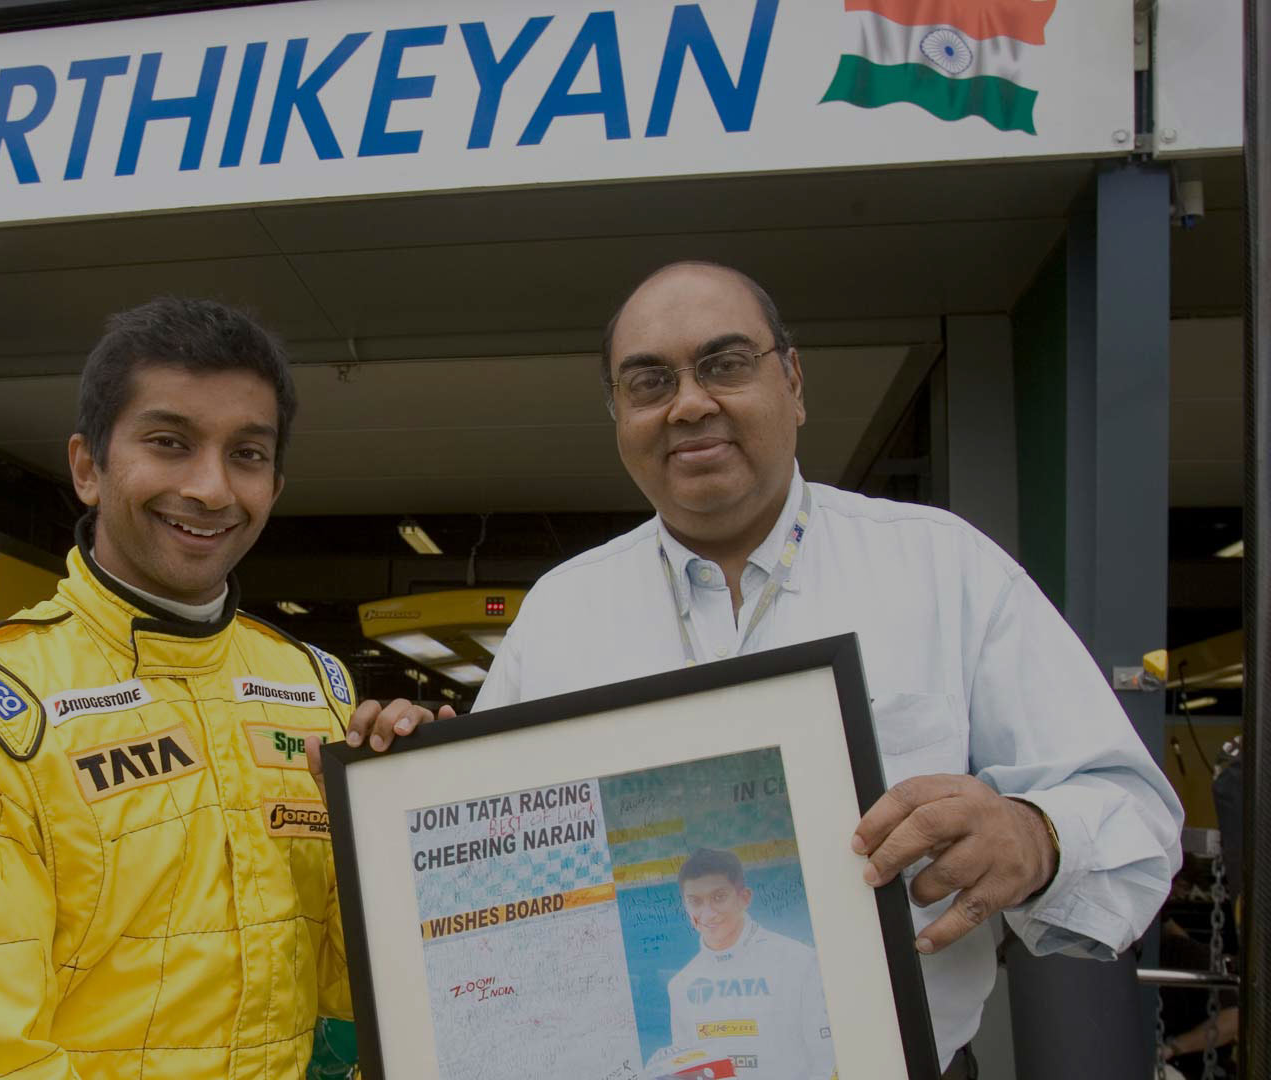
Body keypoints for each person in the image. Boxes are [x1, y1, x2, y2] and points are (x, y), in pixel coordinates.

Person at [472, 261, 1183, 1078]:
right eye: (648, 382)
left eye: (725, 364)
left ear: (794, 382)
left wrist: (1035, 835)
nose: (690, 402)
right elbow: (499, 874)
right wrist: (407, 773)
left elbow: (1135, 819)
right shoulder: (560, 613)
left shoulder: (942, 568)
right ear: (618, 416)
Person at [0, 297, 432, 1080]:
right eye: (170, 443)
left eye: (248, 454)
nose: (210, 488)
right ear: (89, 468)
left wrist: (415, 825)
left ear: (276, 481)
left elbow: (342, 983)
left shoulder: (314, 690)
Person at [658, 848, 831, 1080]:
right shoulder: (680, 985)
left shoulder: (800, 962)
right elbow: (690, 1072)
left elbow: (827, 1062)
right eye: (695, 901)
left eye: (718, 897)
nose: (707, 914)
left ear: (744, 898)